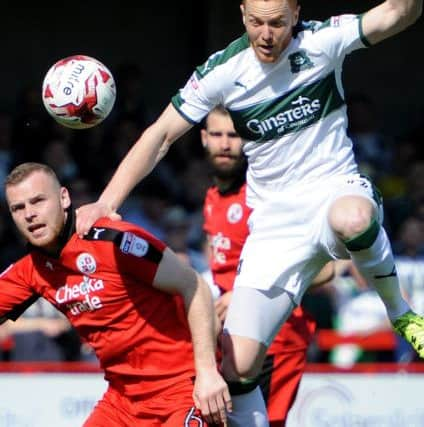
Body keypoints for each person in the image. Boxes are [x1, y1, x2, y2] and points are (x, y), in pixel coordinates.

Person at [76, 1, 424, 425]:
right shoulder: (223, 70)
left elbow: (393, 14)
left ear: (295, 13)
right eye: (256, 22)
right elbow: (162, 134)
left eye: (277, 23)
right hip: (274, 226)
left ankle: (400, 311)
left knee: (353, 218)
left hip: (334, 191)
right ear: (242, 14)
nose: (266, 34)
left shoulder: (323, 41)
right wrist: (108, 202)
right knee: (236, 369)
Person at [0, 162, 231, 426]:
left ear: (64, 198)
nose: (29, 214)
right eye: (18, 208)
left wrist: (207, 373)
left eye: (38, 201)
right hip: (122, 402)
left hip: (181, 391)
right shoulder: (30, 271)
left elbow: (194, 285)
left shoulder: (112, 240)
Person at [201, 106, 334, 426]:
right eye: (217, 135)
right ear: (203, 139)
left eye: (233, 135)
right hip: (232, 339)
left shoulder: (267, 197)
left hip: (276, 338)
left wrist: (246, 292)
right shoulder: (212, 197)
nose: (225, 144)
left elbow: (326, 270)